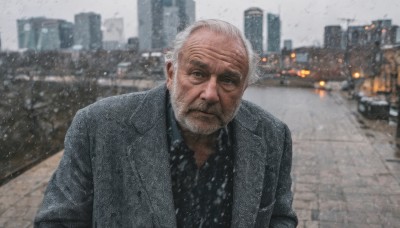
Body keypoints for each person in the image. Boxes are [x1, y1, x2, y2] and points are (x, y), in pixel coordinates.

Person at [35, 19, 297, 227]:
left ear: (244, 87)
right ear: (171, 73)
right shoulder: (98, 126)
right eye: (197, 74)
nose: (210, 94)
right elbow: (57, 221)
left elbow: (279, 217)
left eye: (228, 80)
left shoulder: (273, 136)